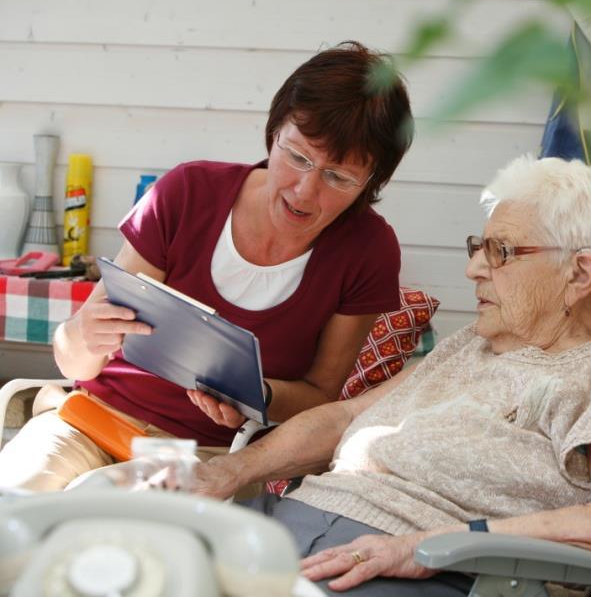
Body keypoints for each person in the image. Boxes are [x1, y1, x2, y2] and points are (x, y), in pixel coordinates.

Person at [192, 155, 591, 596]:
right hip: (291, 528)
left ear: (580, 274)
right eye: (478, 247)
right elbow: (344, 416)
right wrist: (229, 472)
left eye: (500, 252)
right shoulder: (470, 344)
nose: (474, 268)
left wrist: (427, 547)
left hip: (421, 572)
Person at [0, 41, 414, 492]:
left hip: (210, 457)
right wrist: (82, 334)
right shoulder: (187, 193)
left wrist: (258, 397)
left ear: (372, 182)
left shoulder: (367, 250)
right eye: (297, 157)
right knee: (13, 501)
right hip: (88, 421)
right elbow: (75, 361)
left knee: (99, 513)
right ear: (273, 132)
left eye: (338, 177)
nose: (305, 191)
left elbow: (320, 397)